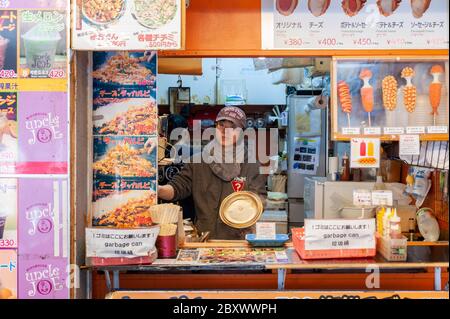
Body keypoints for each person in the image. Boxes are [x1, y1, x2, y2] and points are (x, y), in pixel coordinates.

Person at [158, 106, 266, 240]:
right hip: (205, 240)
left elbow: (259, 201)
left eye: (232, 127)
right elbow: (176, 188)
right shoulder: (197, 162)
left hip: (239, 242)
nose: (225, 131)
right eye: (221, 125)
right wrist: (156, 190)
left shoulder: (251, 165)